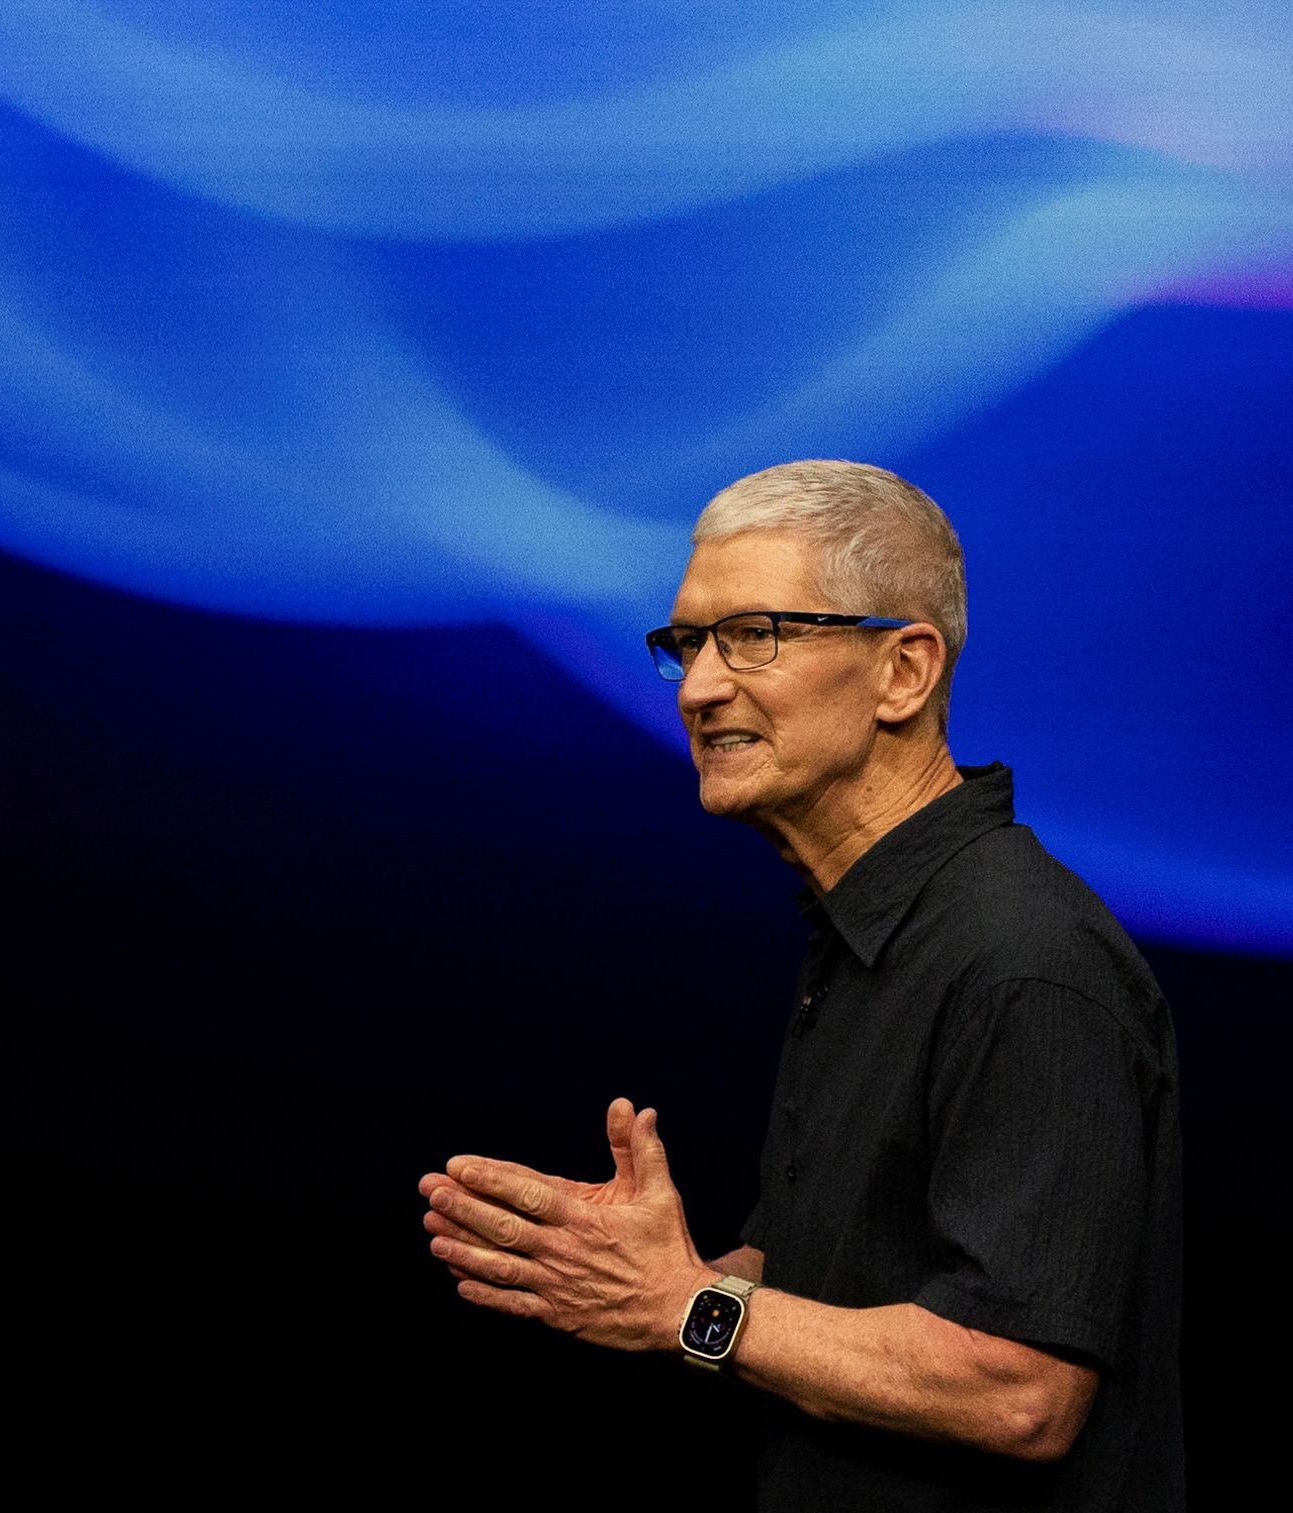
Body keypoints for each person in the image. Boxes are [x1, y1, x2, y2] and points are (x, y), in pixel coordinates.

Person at [419, 460, 1183, 1510]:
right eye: (688, 643)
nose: (698, 689)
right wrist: (646, 1270)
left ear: (903, 672)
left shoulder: (1024, 958)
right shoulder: (870, 931)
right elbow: (846, 1280)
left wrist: (686, 1307)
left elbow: (1017, 1386)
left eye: (753, 636)